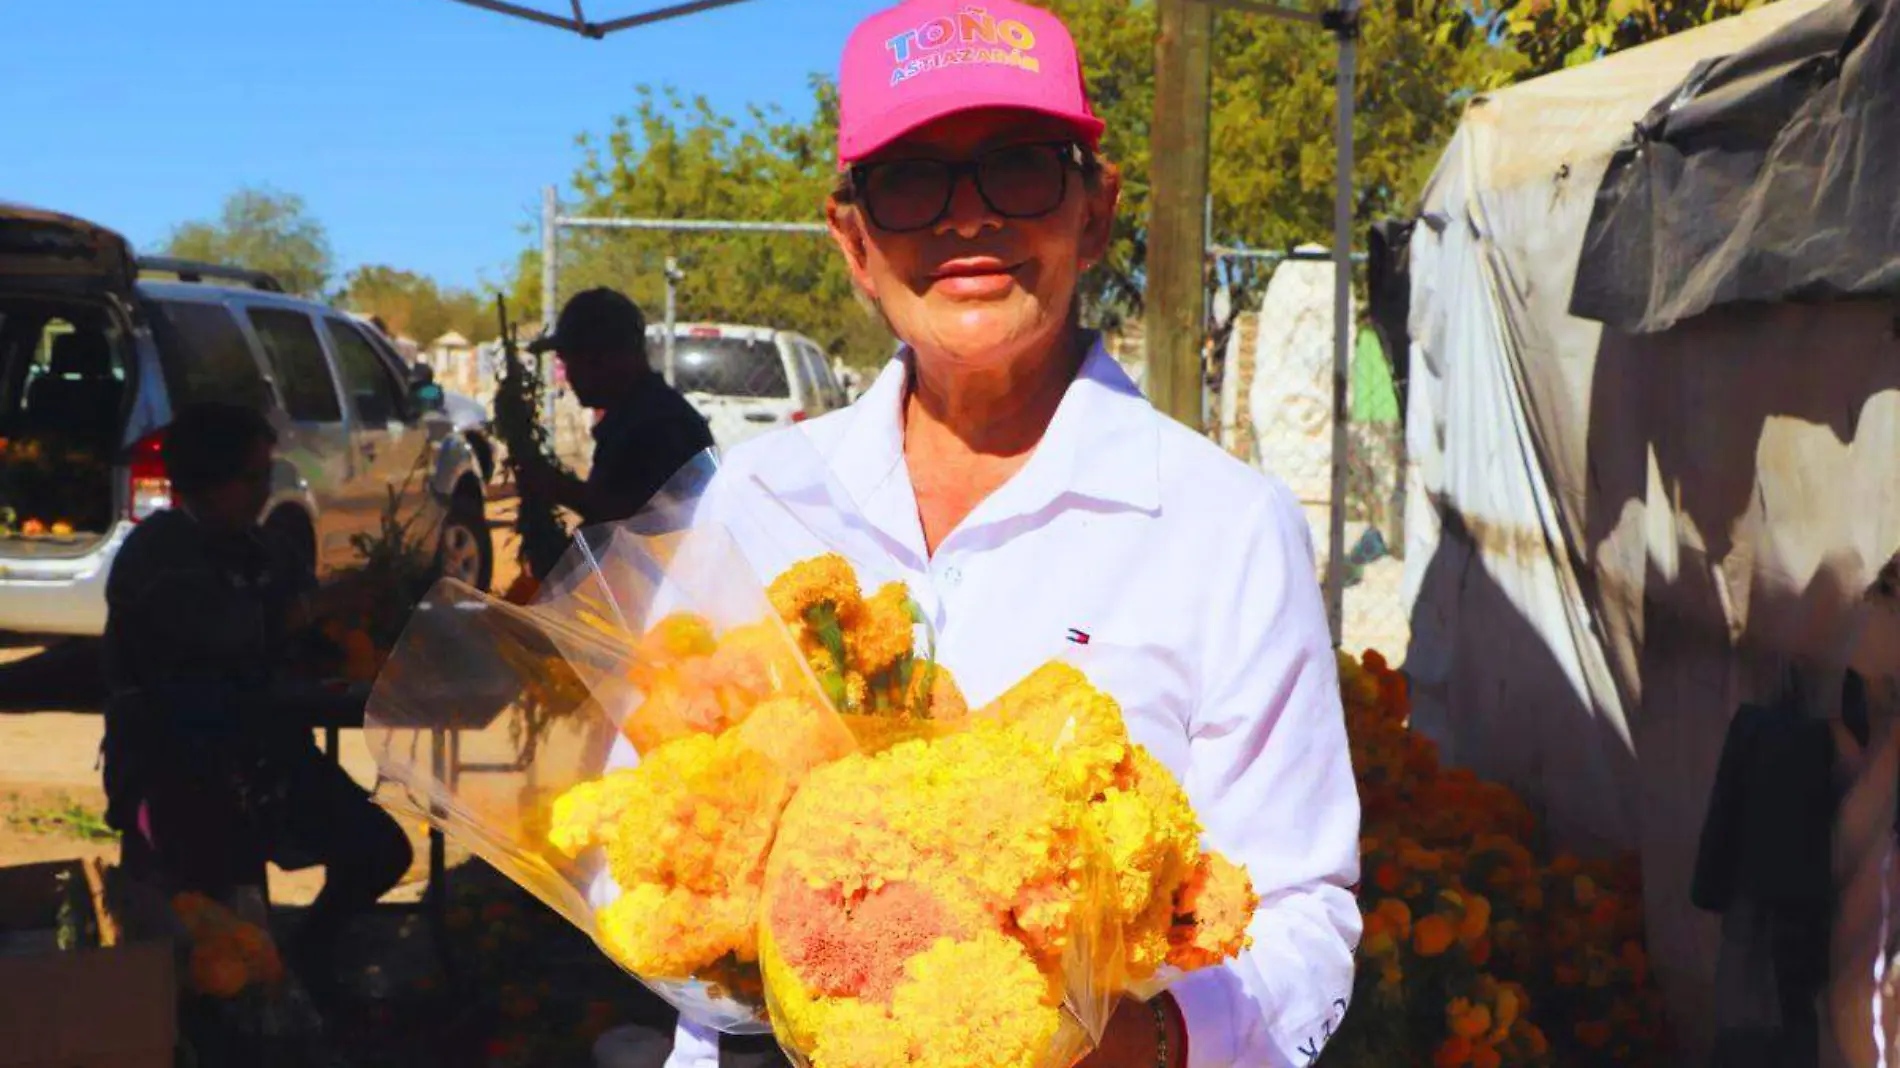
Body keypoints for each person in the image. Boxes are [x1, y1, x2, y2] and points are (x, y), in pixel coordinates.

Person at [623, 3, 1363, 1066]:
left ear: (1094, 212)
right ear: (854, 240)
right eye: (913, 179)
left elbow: (1300, 914)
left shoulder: (1223, 524)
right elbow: (636, 835)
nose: (968, 219)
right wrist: (768, 967)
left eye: (1018, 167)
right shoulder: (761, 493)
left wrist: (1141, 1039)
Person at [101, 401, 413, 1008]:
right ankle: (223, 1020)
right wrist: (314, 610)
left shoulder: (259, 548)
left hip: (265, 755)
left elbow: (295, 633)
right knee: (212, 924)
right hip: (177, 771)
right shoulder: (157, 555)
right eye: (252, 476)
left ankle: (306, 954)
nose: (264, 490)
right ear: (207, 479)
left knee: (380, 849)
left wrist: (351, 634)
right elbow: (217, 631)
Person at [515, 286, 715, 535]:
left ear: (607, 356)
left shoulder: (656, 423)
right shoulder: (640, 412)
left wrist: (555, 486)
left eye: (574, 361)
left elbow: (637, 515)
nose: (569, 375)